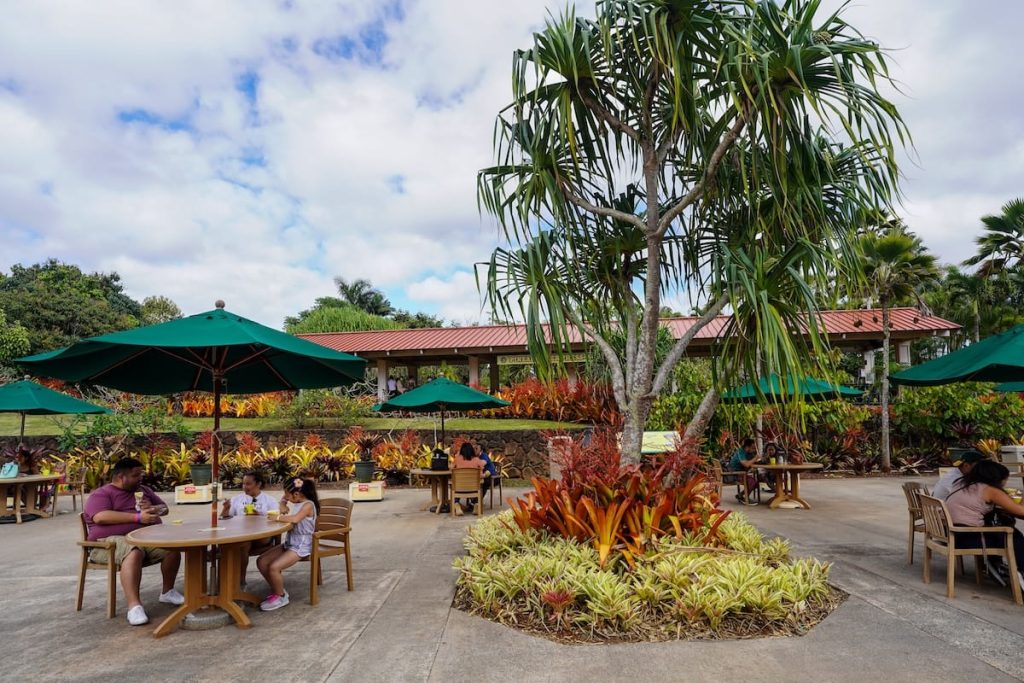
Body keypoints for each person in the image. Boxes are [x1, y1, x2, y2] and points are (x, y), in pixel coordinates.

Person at [83, 457, 183, 626]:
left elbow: (164, 509)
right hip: (106, 544)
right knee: (133, 551)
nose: (140, 478)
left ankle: (167, 592)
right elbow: (100, 517)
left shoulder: (143, 490)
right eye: (136, 475)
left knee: (172, 547)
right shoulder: (102, 494)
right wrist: (138, 518)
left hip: (143, 540)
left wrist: (152, 508)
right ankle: (134, 607)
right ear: (121, 477)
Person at [945, 460, 1024, 589]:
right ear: (996, 478)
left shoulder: (961, 483)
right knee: (1013, 535)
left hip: (951, 534)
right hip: (968, 538)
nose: (1005, 483)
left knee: (1001, 521)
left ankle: (995, 564)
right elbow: (1020, 511)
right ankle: (1020, 572)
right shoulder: (990, 490)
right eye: (1005, 479)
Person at [256, 477, 319, 611]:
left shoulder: (308, 505)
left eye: (287, 493)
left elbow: (295, 519)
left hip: (302, 545)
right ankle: (277, 588)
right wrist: (283, 503)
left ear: (296, 494)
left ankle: (281, 596)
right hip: (290, 542)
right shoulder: (297, 500)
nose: (285, 496)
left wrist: (277, 517)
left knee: (274, 567)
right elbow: (284, 500)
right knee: (261, 561)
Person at [220, 471, 278, 587]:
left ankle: (240, 580)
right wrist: (226, 508)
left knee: (242, 544)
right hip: (241, 535)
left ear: (258, 484)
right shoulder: (237, 499)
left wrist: (260, 515)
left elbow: (277, 519)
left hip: (262, 536)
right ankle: (229, 582)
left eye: (248, 484)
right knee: (240, 544)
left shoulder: (269, 500)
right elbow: (224, 518)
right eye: (243, 484)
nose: (245, 487)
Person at [452, 442, 486, 513]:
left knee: (454, 484)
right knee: (481, 484)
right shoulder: (476, 460)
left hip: (459, 488)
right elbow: (481, 473)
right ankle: (476, 504)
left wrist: (458, 456)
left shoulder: (457, 459)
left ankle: (456, 503)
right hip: (473, 488)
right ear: (472, 450)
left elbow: (451, 468)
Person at [727, 438, 762, 504]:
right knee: (752, 482)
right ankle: (745, 499)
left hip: (741, 473)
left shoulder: (749, 453)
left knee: (756, 483)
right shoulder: (740, 452)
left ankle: (741, 495)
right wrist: (755, 458)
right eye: (753, 448)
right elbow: (746, 464)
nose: (754, 449)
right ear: (747, 447)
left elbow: (753, 462)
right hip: (734, 474)